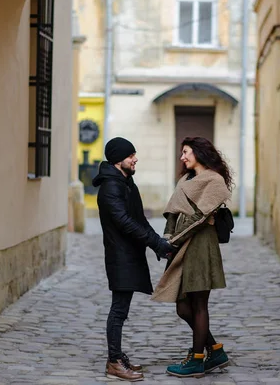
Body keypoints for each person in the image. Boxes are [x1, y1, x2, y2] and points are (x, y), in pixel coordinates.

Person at [93, 137, 178, 382]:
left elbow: (139, 219)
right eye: (131, 156)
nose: (135, 159)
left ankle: (117, 356)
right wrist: (154, 243)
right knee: (118, 310)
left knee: (122, 309)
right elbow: (125, 222)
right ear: (119, 160)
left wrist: (159, 245)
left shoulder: (125, 182)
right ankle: (114, 362)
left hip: (130, 253)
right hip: (120, 255)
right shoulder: (111, 187)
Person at [152, 137, 233, 378]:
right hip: (180, 244)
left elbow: (199, 218)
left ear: (198, 152)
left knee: (198, 303)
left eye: (186, 152)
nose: (182, 157)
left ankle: (198, 359)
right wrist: (167, 236)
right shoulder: (185, 179)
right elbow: (172, 212)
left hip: (200, 246)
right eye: (182, 153)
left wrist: (172, 242)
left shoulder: (214, 181)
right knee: (182, 307)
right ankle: (214, 350)